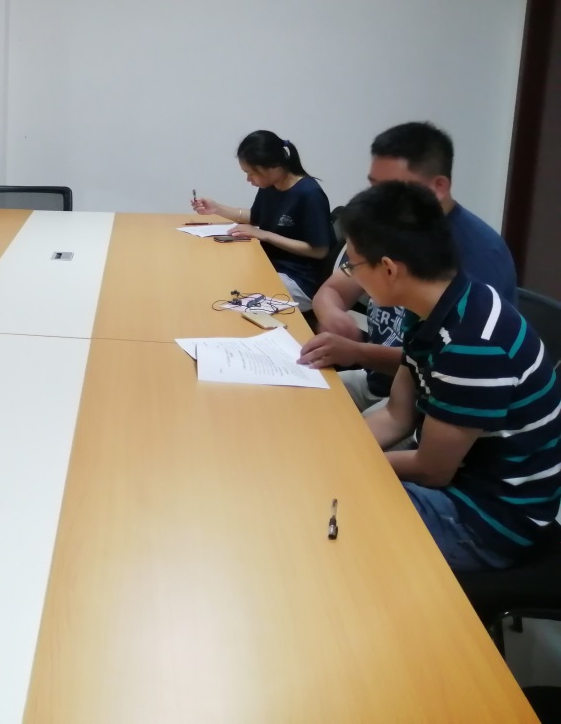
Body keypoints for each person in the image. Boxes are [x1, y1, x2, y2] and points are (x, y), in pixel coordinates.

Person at [338, 181, 560, 571]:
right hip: (460, 479)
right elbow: (397, 415)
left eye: (352, 265)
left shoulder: (474, 345)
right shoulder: (434, 304)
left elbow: (432, 470)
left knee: (331, 516)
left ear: (388, 268)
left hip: (489, 518)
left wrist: (342, 463)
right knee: (325, 484)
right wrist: (338, 450)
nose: (349, 274)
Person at [300, 122, 519, 412]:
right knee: (293, 402)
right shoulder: (389, 227)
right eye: (374, 185)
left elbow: (453, 360)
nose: (378, 199)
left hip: (431, 398)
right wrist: (333, 316)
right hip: (380, 381)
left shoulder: (477, 254)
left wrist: (357, 352)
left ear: (438, 187)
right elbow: (333, 289)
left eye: (392, 189)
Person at [191, 130, 333, 310]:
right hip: (270, 265)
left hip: (299, 280)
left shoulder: (309, 194)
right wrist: (217, 208)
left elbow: (319, 251)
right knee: (220, 276)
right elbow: (256, 217)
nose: (248, 179)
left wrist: (263, 234)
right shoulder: (270, 185)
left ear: (273, 166)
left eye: (251, 173)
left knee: (232, 297)